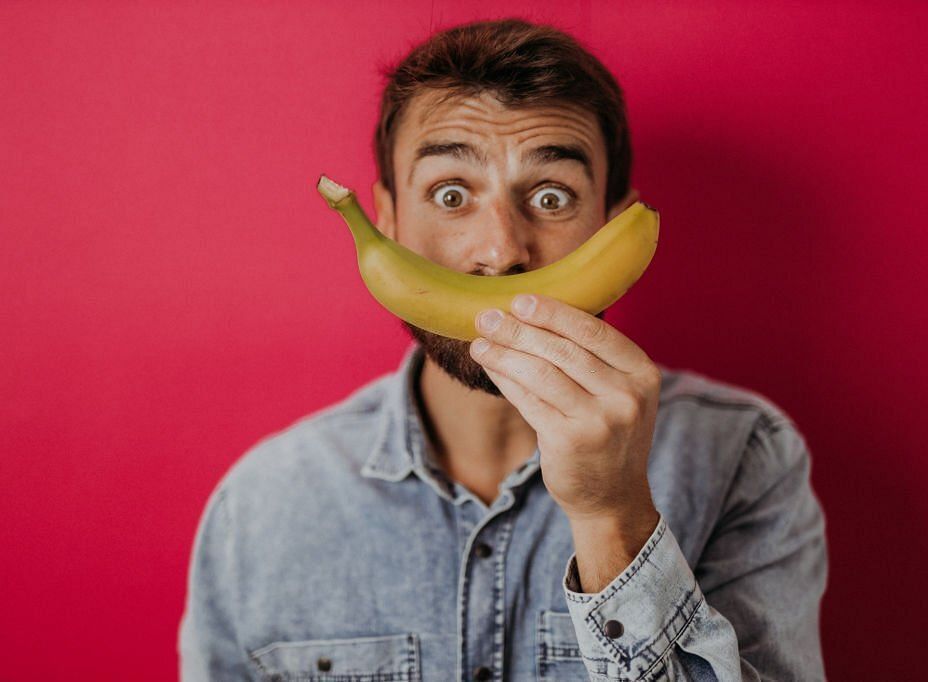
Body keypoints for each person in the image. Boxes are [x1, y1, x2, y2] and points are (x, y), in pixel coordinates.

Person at [178, 17, 828, 681]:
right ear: (389, 220)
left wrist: (614, 518)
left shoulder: (743, 459)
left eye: (552, 197)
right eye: (451, 194)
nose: (501, 253)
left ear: (612, 230)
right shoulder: (260, 507)